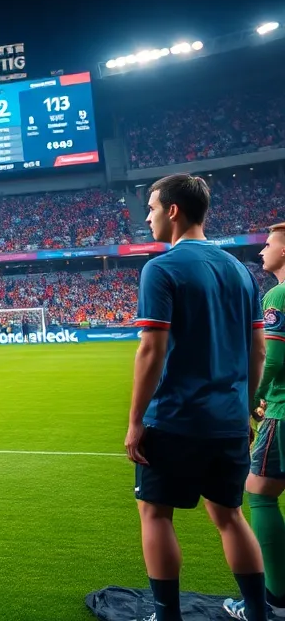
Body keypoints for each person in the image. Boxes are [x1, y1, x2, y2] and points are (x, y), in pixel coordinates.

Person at [126, 173, 267, 621]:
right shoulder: (241, 271)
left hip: (176, 419)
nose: (145, 217)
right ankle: (257, 611)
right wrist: (244, 409)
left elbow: (152, 348)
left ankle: (166, 615)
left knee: (155, 514)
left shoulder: (162, 267)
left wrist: (134, 422)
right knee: (230, 515)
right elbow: (258, 349)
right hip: (228, 420)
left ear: (172, 211)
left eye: (150, 209)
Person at [230, 222, 285, 619]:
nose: (262, 250)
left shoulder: (278, 294)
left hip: (282, 412)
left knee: (260, 491)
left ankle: (276, 597)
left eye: (269, 245)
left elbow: (274, 357)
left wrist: (255, 399)